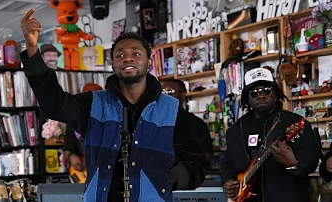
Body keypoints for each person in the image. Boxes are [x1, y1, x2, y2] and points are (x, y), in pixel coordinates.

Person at [20, 8, 209, 202]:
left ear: (149, 62)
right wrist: (33, 49)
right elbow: (54, 103)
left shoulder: (171, 110)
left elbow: (197, 163)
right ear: (113, 64)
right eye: (120, 55)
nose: (128, 58)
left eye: (136, 53)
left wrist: (168, 180)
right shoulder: (93, 104)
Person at [220, 67, 320, 202]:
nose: (261, 95)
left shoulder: (295, 123)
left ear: (276, 93)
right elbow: (227, 161)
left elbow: (312, 160)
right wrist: (227, 181)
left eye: (266, 90)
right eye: (254, 93)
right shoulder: (236, 130)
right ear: (246, 98)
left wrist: (295, 163)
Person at [162, 79, 213, 161]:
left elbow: (206, 155)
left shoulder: (196, 124)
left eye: (169, 92)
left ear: (182, 95)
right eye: (161, 92)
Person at [63, 83, 103, 172]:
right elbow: (67, 149)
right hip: (82, 172)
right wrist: (72, 156)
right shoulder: (74, 121)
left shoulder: (108, 121)